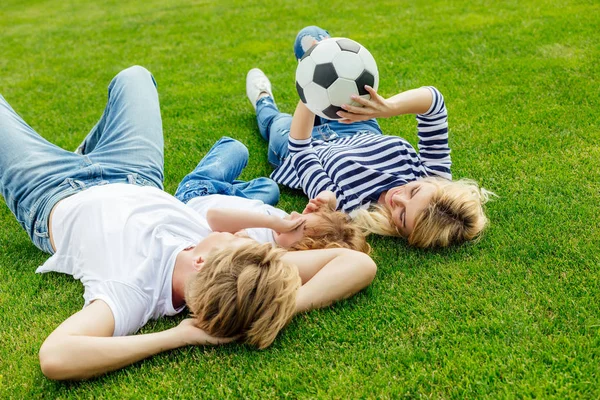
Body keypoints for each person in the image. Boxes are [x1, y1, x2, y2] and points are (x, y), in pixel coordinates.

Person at [0, 66, 377, 380]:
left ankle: (73, 157)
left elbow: (56, 357)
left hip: (49, 189)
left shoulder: (131, 293)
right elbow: (359, 264)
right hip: (135, 173)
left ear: (200, 261)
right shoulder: (230, 266)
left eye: (232, 239)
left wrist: (176, 337)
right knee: (135, 76)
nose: (236, 235)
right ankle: (88, 151)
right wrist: (278, 305)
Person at [246, 26, 492, 249]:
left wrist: (311, 92)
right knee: (309, 36)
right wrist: (389, 107)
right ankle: (331, 57)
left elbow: (301, 149)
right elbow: (434, 103)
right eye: (414, 191)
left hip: (302, 147)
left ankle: (263, 99)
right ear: (435, 185)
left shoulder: (351, 209)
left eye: (403, 216)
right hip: (357, 128)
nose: (399, 199)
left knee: (275, 123)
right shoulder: (434, 176)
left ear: (404, 233)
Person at [173, 137, 370, 254]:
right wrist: (325, 203)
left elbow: (214, 216)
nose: (293, 215)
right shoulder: (284, 233)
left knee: (235, 148)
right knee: (269, 188)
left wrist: (273, 223)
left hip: (196, 197)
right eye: (303, 216)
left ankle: (218, 184)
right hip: (235, 201)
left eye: (298, 225)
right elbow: (329, 196)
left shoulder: (257, 245)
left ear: (301, 249)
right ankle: (227, 187)